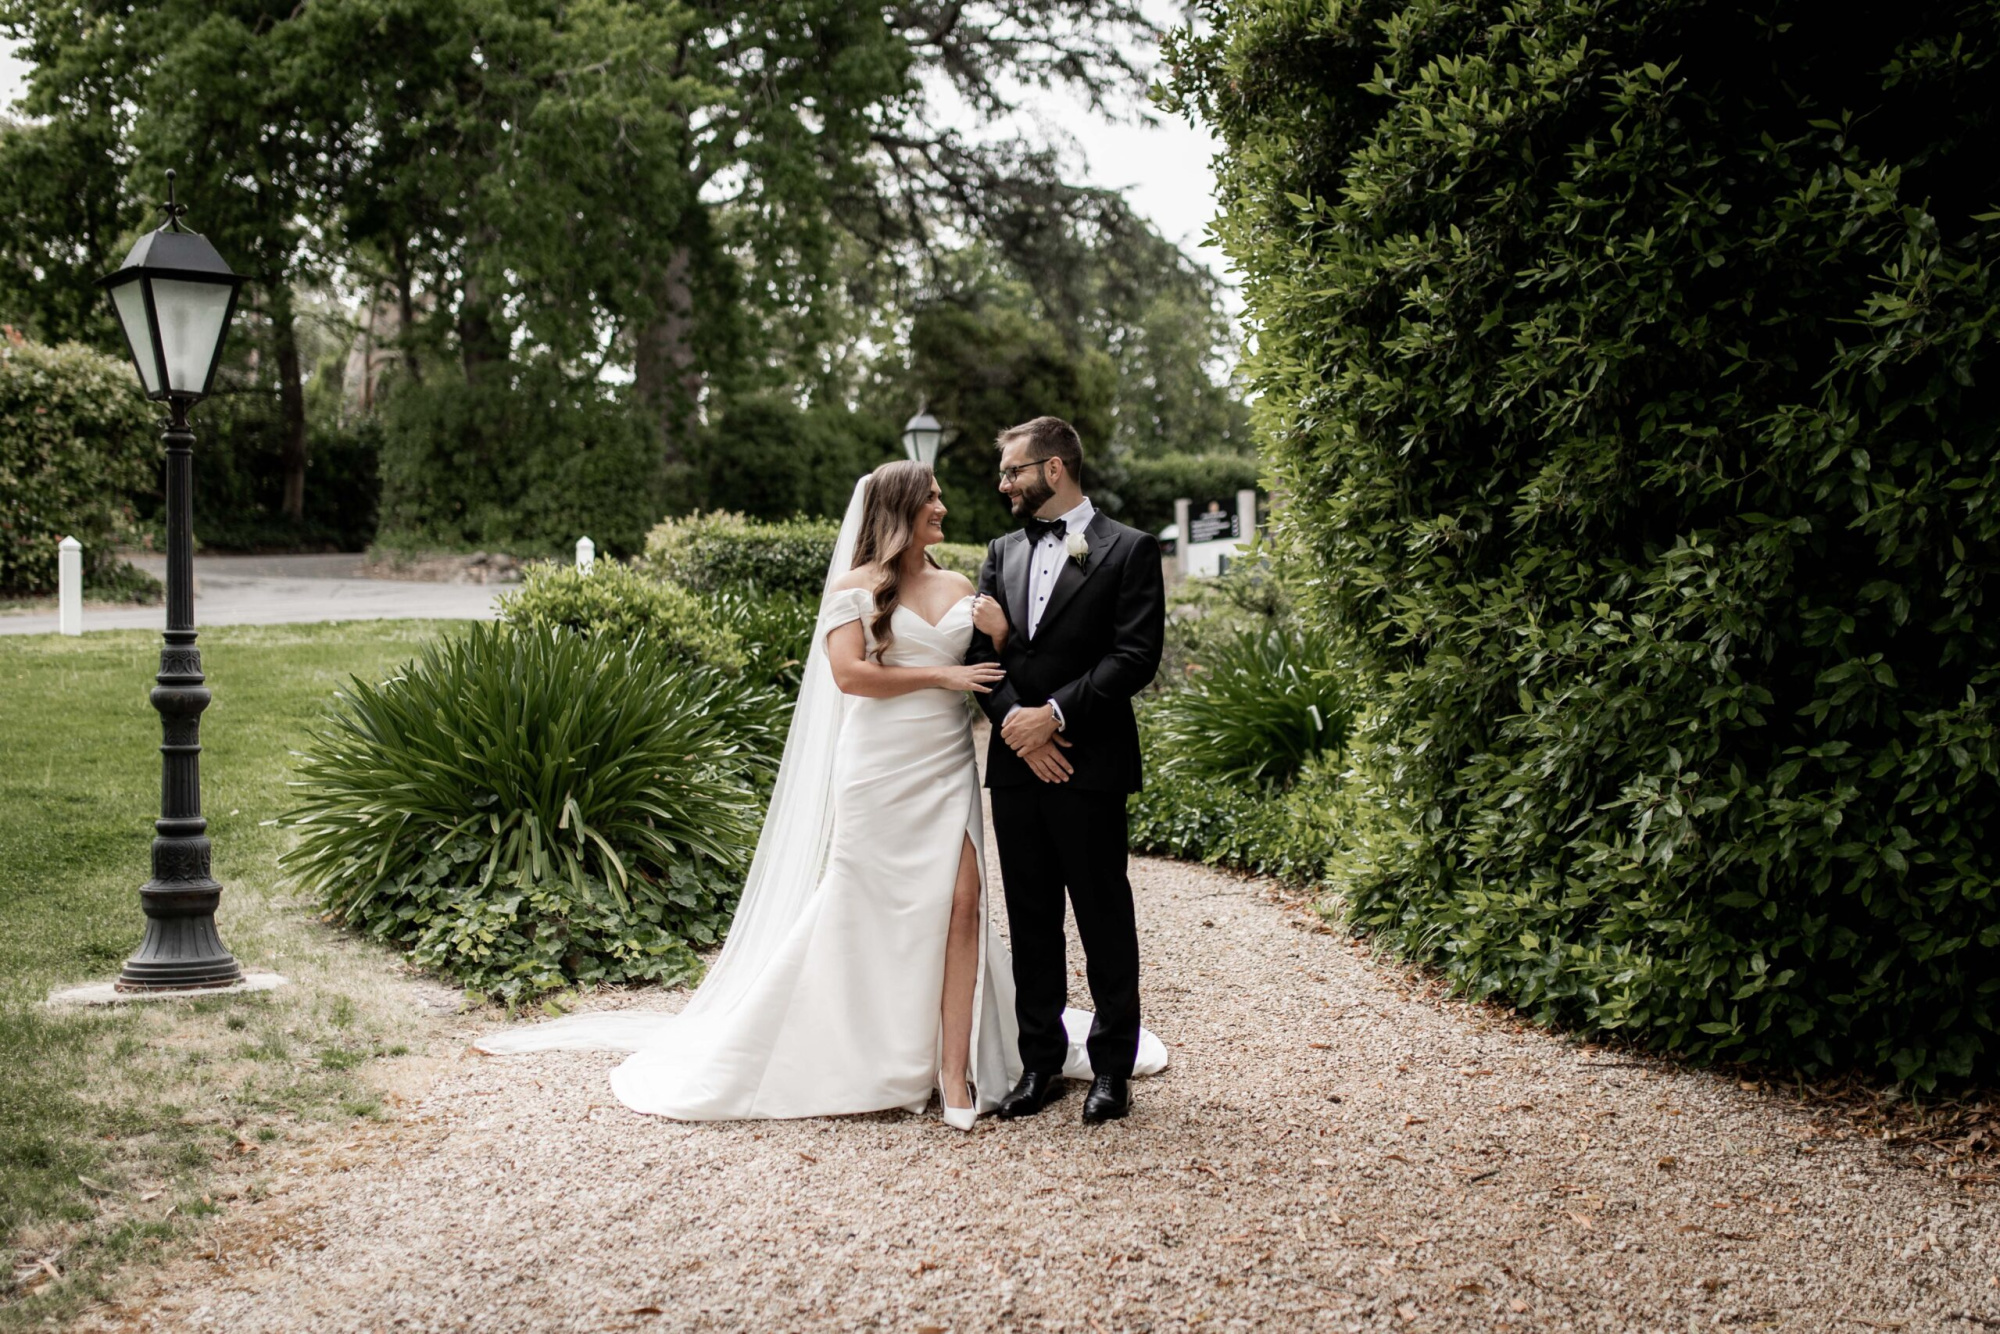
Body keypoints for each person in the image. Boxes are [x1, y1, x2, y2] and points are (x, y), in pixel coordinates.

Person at [475, 460, 1165, 1129]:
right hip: (879, 762)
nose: (945, 507)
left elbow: (1006, 663)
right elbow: (850, 676)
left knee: (964, 903)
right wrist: (945, 682)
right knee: (861, 900)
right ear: (899, 508)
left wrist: (1005, 647)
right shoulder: (855, 587)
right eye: (933, 497)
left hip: (946, 761)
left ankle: (954, 1070)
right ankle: (850, 1042)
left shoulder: (963, 581)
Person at [966, 416, 1166, 1126]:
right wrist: (1021, 729)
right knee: (1031, 918)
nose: (1003, 483)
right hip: (1021, 770)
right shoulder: (998, 553)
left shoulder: (1130, 549)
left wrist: (1055, 714)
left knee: (1104, 916)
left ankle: (1112, 1069)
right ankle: (1040, 1063)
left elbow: (1134, 656)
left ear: (1054, 469)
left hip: (1090, 763)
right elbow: (979, 661)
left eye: (1013, 470)